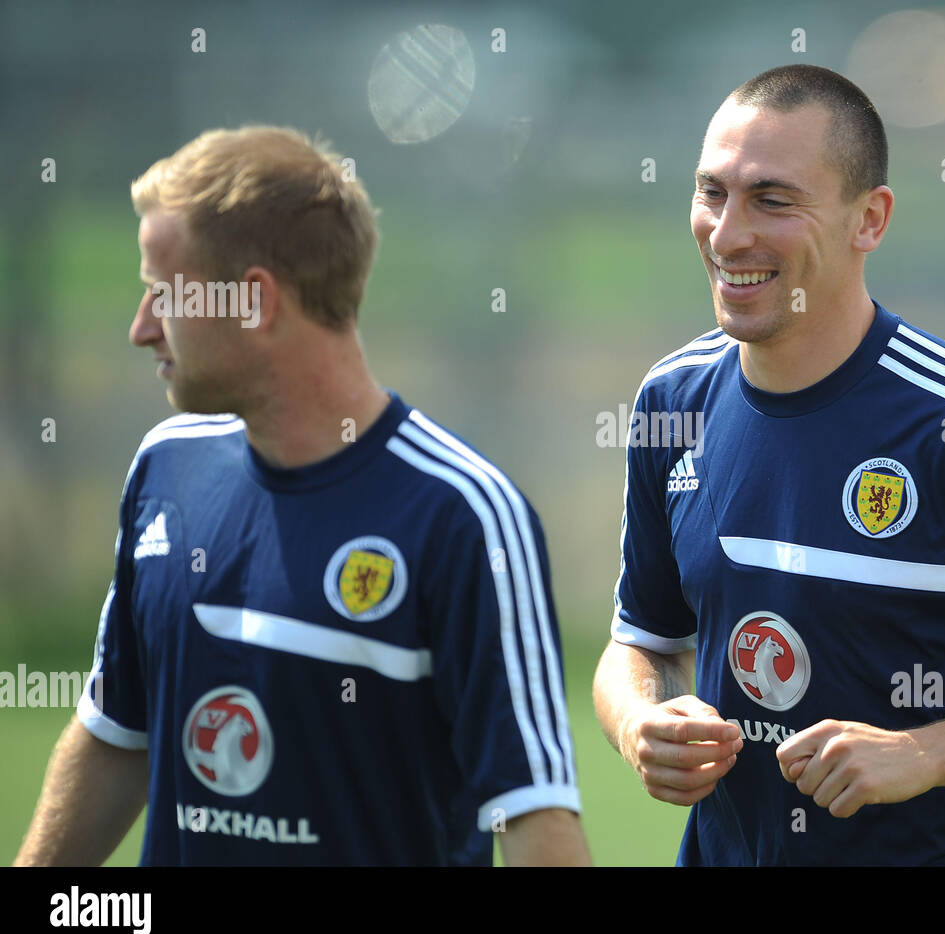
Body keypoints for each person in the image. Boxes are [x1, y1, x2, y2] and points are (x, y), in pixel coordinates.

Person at [593, 65, 945, 865]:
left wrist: (930, 752)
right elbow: (642, 643)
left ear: (870, 219)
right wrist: (638, 724)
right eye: (711, 192)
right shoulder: (671, 400)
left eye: (772, 199)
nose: (727, 235)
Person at [15, 126, 590, 866]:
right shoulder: (167, 470)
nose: (140, 328)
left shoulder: (462, 516)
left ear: (254, 301)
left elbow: (535, 817)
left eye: (162, 293)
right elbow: (117, 735)